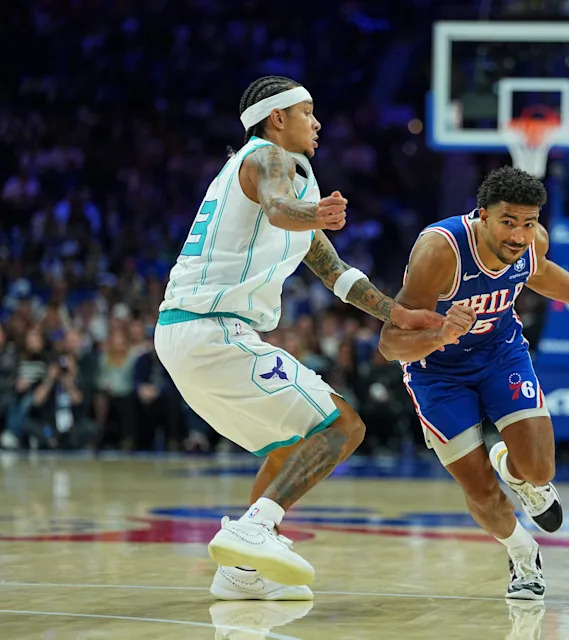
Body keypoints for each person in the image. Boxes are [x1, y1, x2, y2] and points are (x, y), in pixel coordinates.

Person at [154, 75, 441, 601]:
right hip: (212, 331)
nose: (318, 123)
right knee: (343, 426)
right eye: (308, 112)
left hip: (190, 334)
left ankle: (241, 573)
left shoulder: (285, 177)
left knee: (295, 443)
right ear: (276, 118)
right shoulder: (268, 158)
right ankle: (253, 528)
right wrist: (314, 213)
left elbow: (334, 273)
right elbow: (277, 207)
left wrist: (395, 311)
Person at [378, 166, 569, 600]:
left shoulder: (531, 243)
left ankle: (515, 472)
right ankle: (522, 553)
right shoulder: (440, 252)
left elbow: (543, 273)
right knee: (479, 489)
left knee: (540, 470)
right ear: (482, 216)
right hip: (436, 371)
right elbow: (389, 343)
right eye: (508, 222)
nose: (519, 235)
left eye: (529, 223)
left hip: (499, 354)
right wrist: (440, 334)